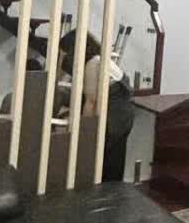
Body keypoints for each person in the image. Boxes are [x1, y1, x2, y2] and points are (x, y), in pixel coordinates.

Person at [57, 29, 134, 181]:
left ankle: (106, 192)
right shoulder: (101, 60)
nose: (64, 58)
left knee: (105, 165)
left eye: (65, 54)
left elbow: (91, 102)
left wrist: (83, 132)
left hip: (114, 118)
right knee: (113, 162)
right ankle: (111, 191)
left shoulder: (93, 64)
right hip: (122, 116)